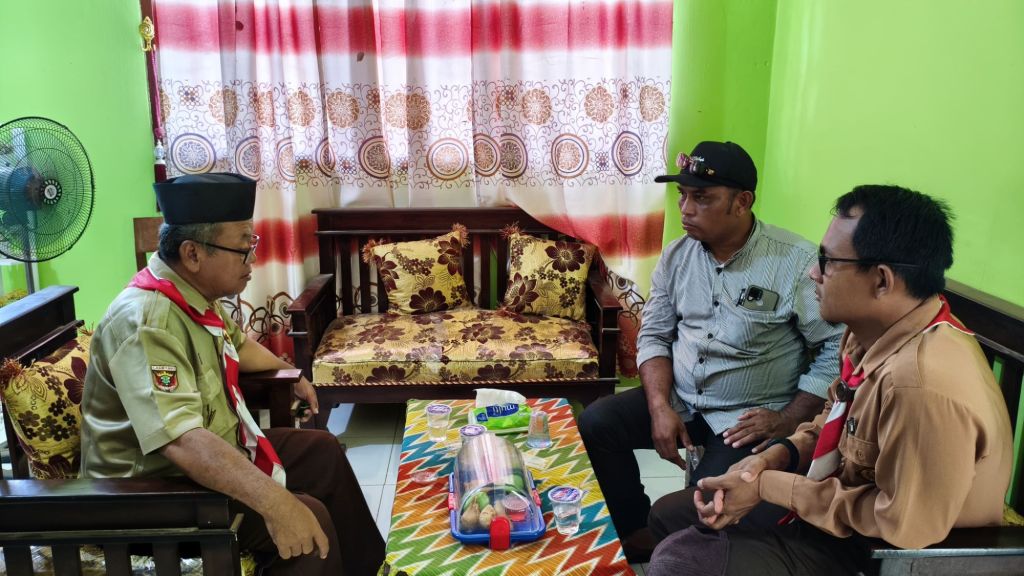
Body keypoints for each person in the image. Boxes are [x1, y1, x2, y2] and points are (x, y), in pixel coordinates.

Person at [646, 185, 1013, 576]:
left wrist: (768, 486)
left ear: (882, 281)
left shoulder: (918, 384)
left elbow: (902, 525)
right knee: (670, 515)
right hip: (836, 506)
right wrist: (772, 458)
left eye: (827, 261)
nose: (813, 273)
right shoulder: (869, 335)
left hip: (876, 551)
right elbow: (835, 422)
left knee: (681, 560)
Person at [79, 173, 385, 576]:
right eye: (243, 248)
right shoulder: (148, 323)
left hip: (211, 454)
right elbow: (183, 440)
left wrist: (290, 372)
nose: (252, 260)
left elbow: (236, 344)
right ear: (192, 253)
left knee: (323, 453)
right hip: (146, 494)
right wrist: (276, 504)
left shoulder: (192, 294)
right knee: (306, 521)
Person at [579, 140, 844, 561]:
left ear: (742, 202)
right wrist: (659, 407)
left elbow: (836, 346)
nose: (686, 209)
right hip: (683, 399)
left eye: (702, 198)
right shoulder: (676, 256)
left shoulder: (794, 262)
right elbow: (654, 335)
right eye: (682, 195)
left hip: (746, 419)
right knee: (597, 422)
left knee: (703, 503)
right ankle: (634, 530)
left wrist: (788, 418)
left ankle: (677, 545)